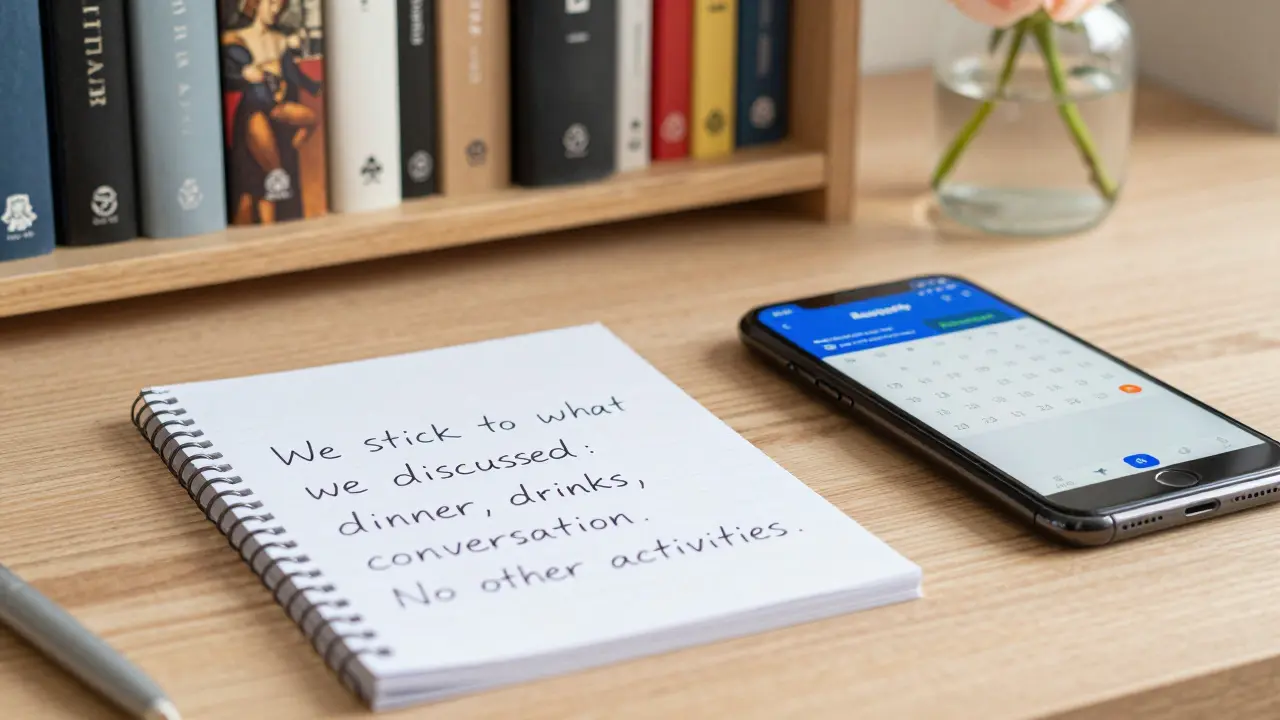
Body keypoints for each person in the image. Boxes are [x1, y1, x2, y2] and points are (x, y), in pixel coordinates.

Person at [221, 0, 322, 224]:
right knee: (249, 196)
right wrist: (244, 76)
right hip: (251, 116)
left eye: (280, 6)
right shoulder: (235, 39)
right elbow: (225, 78)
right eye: (272, 4)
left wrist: (316, 87)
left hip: (277, 117)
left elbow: (293, 75)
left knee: (269, 196)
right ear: (255, 4)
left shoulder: (280, 41)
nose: (276, 10)